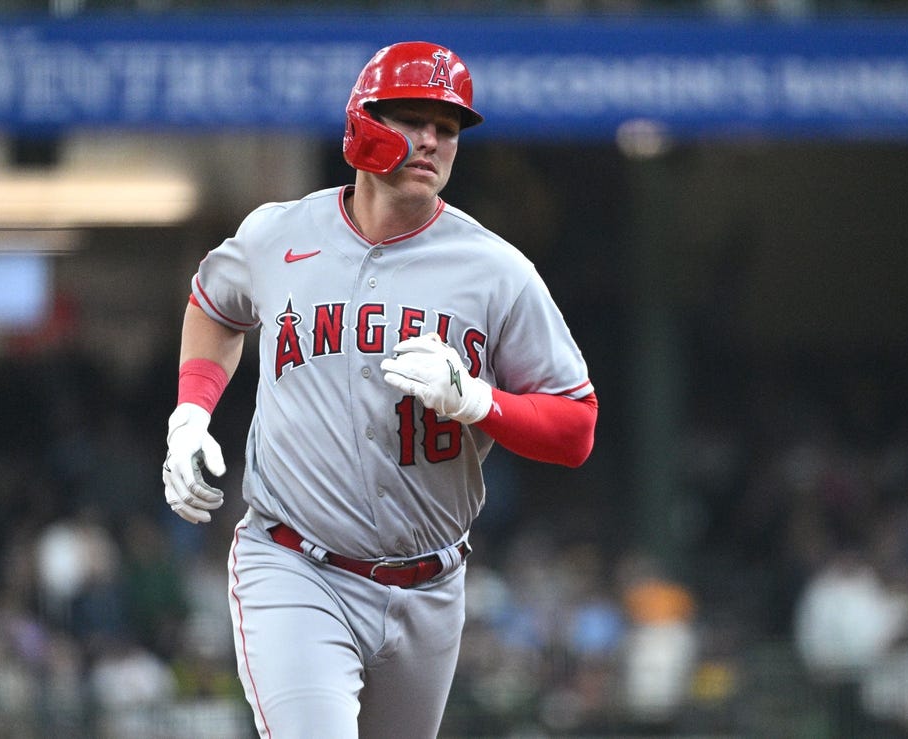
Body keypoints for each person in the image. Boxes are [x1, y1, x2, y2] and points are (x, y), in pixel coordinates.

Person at [161, 40, 598, 738]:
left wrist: (480, 401)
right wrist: (190, 415)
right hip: (295, 562)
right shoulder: (279, 235)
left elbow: (577, 428)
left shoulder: (495, 269)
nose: (431, 140)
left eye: (447, 129)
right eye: (411, 118)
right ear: (360, 123)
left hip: (431, 584)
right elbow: (214, 306)